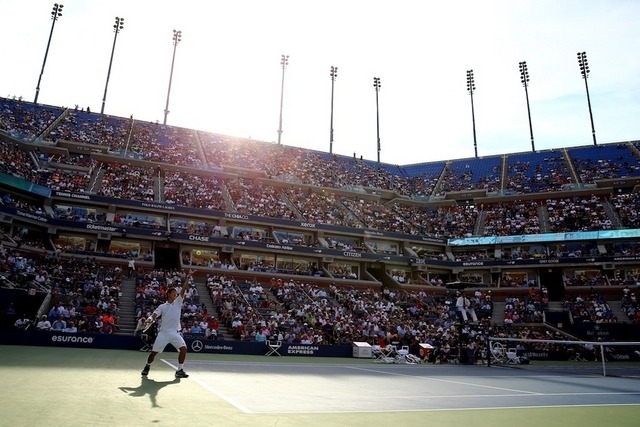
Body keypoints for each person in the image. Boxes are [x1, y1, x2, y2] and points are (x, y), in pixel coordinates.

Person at [141, 270, 194, 379]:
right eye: (174, 292)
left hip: (174, 333)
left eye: (176, 292)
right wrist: (149, 319)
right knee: (154, 353)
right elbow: (154, 315)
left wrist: (188, 277)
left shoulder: (178, 302)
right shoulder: (162, 307)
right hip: (163, 333)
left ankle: (179, 370)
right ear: (169, 294)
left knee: (183, 349)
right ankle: (147, 366)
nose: (176, 293)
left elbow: (183, 289)